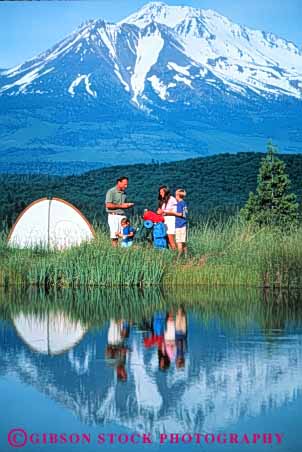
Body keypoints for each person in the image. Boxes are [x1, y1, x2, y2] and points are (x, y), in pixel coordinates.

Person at [105, 177, 134, 247]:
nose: (126, 186)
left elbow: (123, 205)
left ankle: (125, 249)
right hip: (113, 215)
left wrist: (128, 205)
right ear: (119, 182)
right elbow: (108, 205)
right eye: (124, 184)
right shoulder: (111, 192)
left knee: (126, 233)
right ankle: (115, 251)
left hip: (122, 215)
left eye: (126, 184)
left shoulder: (124, 193)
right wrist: (122, 206)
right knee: (115, 235)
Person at [157, 185, 177, 249]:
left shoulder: (172, 199)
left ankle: (177, 254)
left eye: (162, 192)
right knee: (166, 239)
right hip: (164, 220)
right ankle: (173, 253)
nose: (160, 194)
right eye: (160, 192)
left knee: (171, 238)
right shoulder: (162, 201)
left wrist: (163, 211)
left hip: (171, 220)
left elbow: (175, 211)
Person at [174, 189, 188, 257]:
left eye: (175, 195)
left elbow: (180, 214)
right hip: (184, 224)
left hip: (179, 225)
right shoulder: (184, 203)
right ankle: (186, 256)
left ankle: (179, 257)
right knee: (183, 241)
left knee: (179, 242)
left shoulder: (179, 204)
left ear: (178, 196)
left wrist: (171, 213)